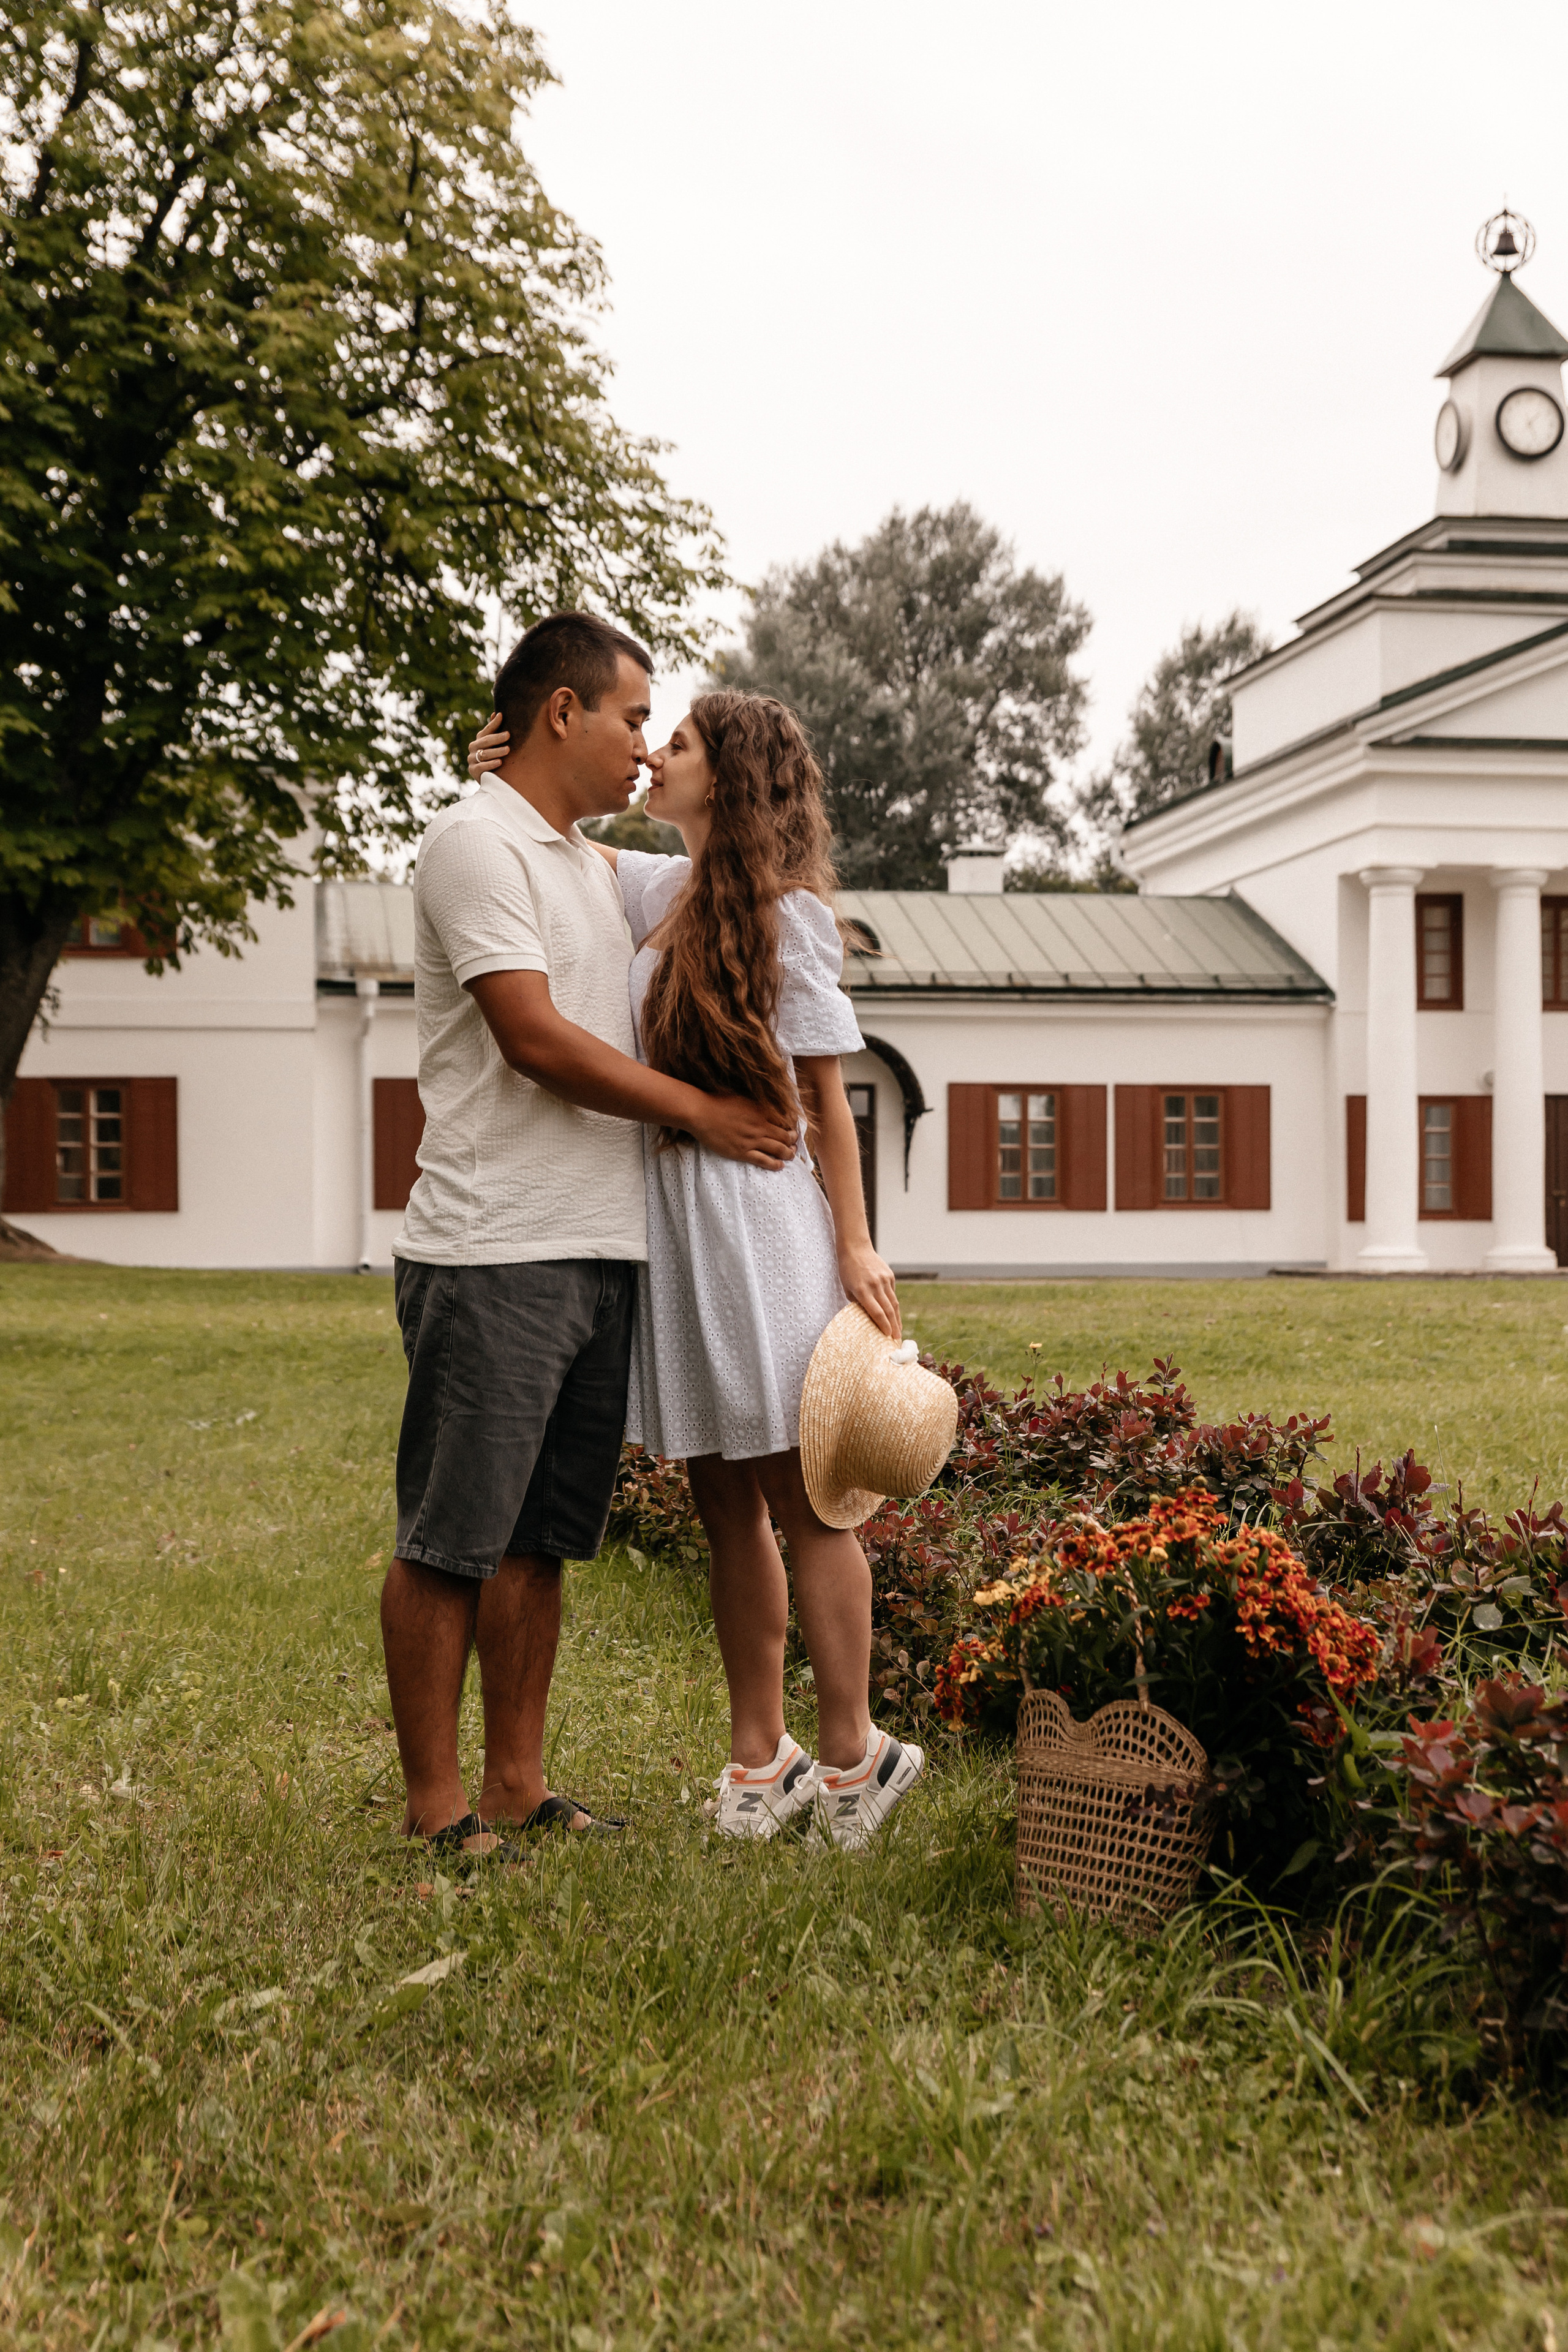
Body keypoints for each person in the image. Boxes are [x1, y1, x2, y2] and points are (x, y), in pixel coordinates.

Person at [466, 690, 925, 1848]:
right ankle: (755, 1759)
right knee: (723, 1501)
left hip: (761, 1221)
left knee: (806, 1496)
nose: (653, 754)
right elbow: (551, 836)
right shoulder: (650, 888)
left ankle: (854, 1755)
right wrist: (497, 759)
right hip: (671, 1223)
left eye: (676, 744)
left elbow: (830, 1100)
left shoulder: (794, 920)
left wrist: (857, 1243)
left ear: (724, 776)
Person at [385, 615, 799, 1860]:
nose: (640, 745)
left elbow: (748, 870)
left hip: (597, 1247)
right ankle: (436, 1808)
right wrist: (703, 1115)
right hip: (491, 1248)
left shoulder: (588, 864)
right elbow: (534, 1037)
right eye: (630, 718)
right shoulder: (473, 844)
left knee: (541, 1539)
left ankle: (517, 1789)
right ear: (562, 714)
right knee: (450, 1535)